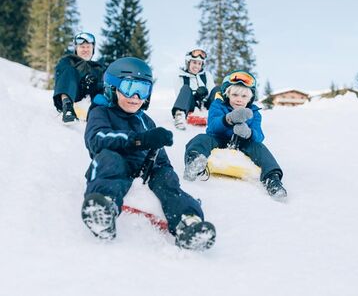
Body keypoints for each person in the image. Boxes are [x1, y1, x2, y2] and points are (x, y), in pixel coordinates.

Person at [81, 56, 216, 251]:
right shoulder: (101, 112)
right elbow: (97, 139)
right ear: (112, 87)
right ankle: (103, 209)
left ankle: (188, 223)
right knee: (108, 160)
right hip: (117, 161)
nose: (135, 96)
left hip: (146, 168)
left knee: (167, 177)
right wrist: (139, 140)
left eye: (142, 90)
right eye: (129, 88)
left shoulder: (146, 120)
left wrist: (159, 156)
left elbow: (161, 161)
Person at [183, 70, 287, 201]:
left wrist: (248, 134)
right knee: (200, 139)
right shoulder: (218, 105)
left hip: (242, 142)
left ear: (250, 99)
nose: (239, 99)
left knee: (259, 148)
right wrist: (228, 119)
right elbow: (212, 127)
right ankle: (194, 162)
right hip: (219, 138)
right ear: (228, 94)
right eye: (235, 95)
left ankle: (272, 179)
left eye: (244, 96)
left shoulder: (255, 113)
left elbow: (259, 135)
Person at [53, 32, 105, 123]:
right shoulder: (68, 61)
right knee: (68, 71)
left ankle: (101, 114)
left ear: (93, 49)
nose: (85, 50)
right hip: (73, 95)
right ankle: (68, 109)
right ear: (76, 49)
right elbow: (60, 75)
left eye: (88, 47)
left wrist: (94, 85)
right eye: (82, 47)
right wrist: (81, 82)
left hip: (93, 102)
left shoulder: (98, 68)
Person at [172, 48, 220, 130]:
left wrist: (204, 94)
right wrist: (196, 96)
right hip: (191, 105)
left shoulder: (206, 75)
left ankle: (220, 115)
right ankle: (179, 116)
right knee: (186, 88)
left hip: (206, 106)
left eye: (199, 63)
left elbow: (212, 92)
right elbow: (180, 95)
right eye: (194, 62)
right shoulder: (181, 77)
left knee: (217, 89)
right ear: (188, 62)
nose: (197, 66)